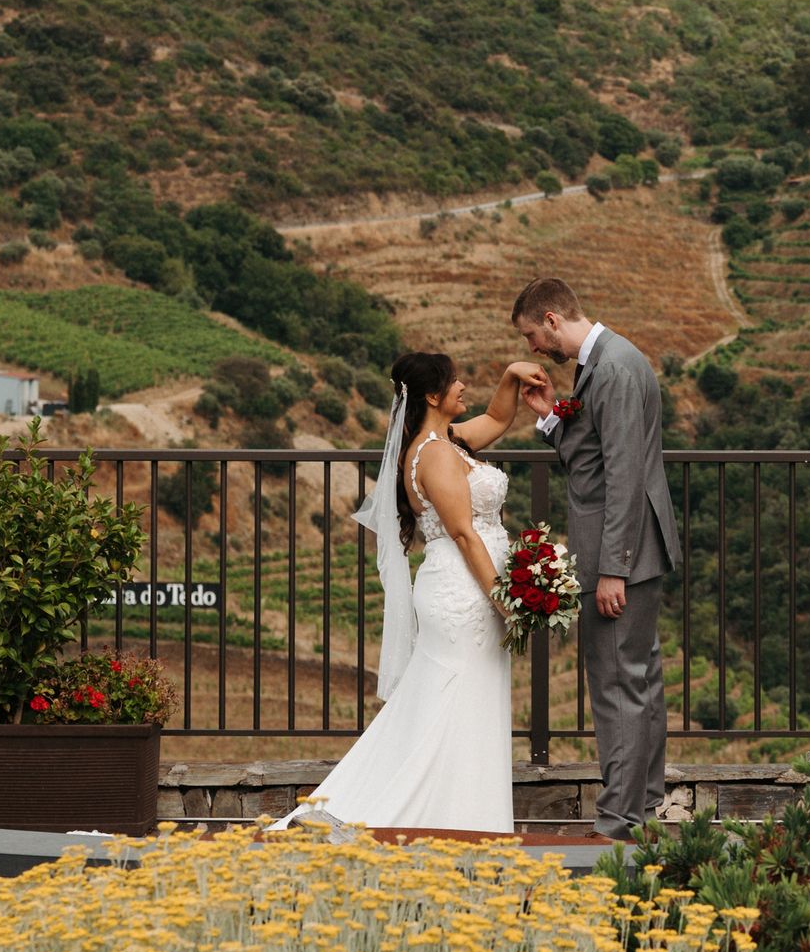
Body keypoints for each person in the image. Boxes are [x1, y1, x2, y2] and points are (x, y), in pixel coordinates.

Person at [273, 348, 547, 834]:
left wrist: (510, 375)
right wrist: (503, 598)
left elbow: (499, 418)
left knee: (454, 705)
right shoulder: (436, 454)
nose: (465, 387)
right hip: (465, 592)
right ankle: (436, 820)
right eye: (456, 381)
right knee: (451, 704)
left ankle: (462, 816)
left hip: (466, 588)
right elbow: (464, 533)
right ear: (433, 396)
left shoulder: (449, 439)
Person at [512, 276, 680, 839]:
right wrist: (551, 416)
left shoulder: (609, 370)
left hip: (622, 558)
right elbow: (593, 460)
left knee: (615, 685)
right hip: (629, 552)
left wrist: (613, 568)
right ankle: (644, 805)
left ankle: (618, 820)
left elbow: (626, 477)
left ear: (554, 319)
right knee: (639, 681)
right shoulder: (602, 364)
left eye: (533, 334)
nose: (534, 348)